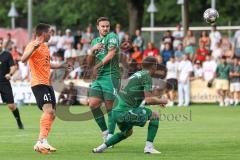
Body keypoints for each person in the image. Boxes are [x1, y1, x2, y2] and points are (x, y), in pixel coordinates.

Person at [92, 56, 167, 154]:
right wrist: (163, 100)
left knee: (127, 133)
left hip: (116, 112)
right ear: (154, 66)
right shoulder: (146, 76)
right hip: (125, 111)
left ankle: (101, 148)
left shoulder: (137, 74)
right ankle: (149, 147)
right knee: (155, 115)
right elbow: (148, 99)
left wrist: (157, 100)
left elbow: (137, 97)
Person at [21, 23, 72, 154]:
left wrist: (63, 65)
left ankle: (42, 141)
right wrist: (33, 48)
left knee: (53, 114)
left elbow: (48, 64)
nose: (51, 35)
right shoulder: (33, 44)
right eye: (50, 32)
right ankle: (41, 141)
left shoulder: (45, 47)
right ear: (44, 33)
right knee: (48, 111)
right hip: (38, 83)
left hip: (47, 84)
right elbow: (23, 59)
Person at [87, 17, 120, 142]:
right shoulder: (95, 41)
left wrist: (97, 65)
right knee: (93, 105)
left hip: (111, 76)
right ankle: (105, 132)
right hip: (98, 78)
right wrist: (91, 50)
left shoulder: (112, 37)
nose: (105, 28)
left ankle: (111, 136)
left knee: (110, 107)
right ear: (98, 27)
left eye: (107, 26)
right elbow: (90, 63)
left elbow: (111, 54)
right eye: (103, 26)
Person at [0, 39, 24, 129]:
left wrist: (10, 74)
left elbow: (14, 67)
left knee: (11, 105)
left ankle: (19, 121)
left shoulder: (7, 54)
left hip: (4, 82)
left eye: (1, 43)